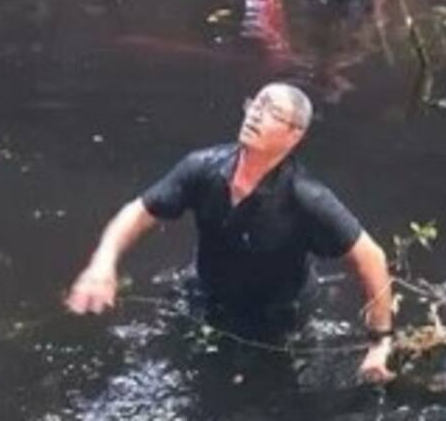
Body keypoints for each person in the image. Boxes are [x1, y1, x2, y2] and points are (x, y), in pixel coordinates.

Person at [65, 83, 396, 383]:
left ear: (294, 134)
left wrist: (379, 342)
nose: (256, 115)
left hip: (276, 318)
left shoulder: (306, 198)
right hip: (207, 295)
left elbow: (371, 257)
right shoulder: (204, 167)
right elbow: (139, 212)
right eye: (256, 104)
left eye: (272, 112)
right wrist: (102, 263)